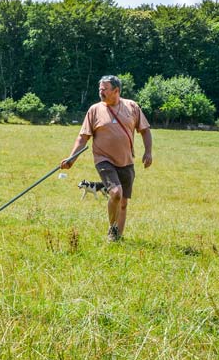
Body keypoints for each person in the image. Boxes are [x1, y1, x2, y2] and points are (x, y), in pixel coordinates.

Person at [61, 75, 153, 242]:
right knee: (116, 193)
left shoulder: (132, 107)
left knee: (123, 202)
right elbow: (83, 137)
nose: (100, 92)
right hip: (104, 160)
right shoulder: (95, 110)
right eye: (100, 89)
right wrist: (71, 159)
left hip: (126, 161)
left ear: (116, 91)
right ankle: (113, 228)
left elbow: (145, 130)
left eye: (104, 89)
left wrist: (148, 152)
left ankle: (118, 238)